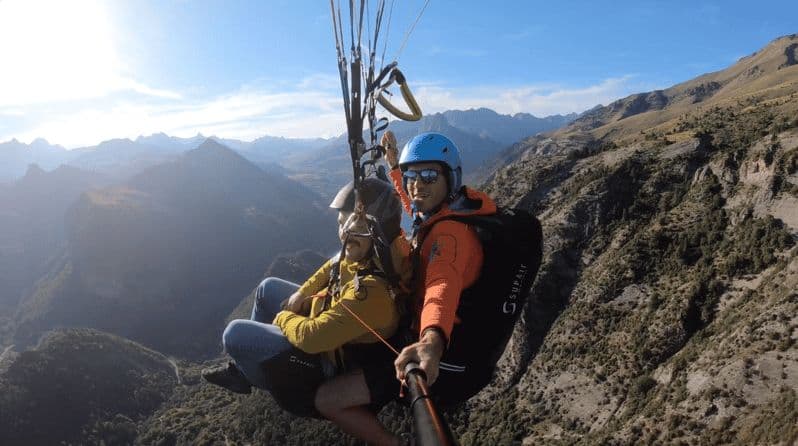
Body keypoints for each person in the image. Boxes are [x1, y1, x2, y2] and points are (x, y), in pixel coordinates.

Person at [315, 131, 504, 445]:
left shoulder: (449, 237)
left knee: (327, 399)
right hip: (417, 328)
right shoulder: (445, 212)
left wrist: (431, 341)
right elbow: (414, 206)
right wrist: (393, 168)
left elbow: (441, 287)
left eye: (429, 175)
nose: (417, 184)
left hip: (431, 349)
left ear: (451, 178)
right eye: (411, 175)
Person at [202, 177, 411, 418]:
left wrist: (283, 318)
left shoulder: (373, 291)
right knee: (266, 288)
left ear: (378, 229)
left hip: (328, 361)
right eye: (341, 224)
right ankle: (246, 370)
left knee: (234, 334)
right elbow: (331, 266)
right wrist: (301, 293)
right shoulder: (376, 252)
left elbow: (312, 338)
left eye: (354, 228)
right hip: (329, 323)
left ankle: (265, 375)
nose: (344, 235)